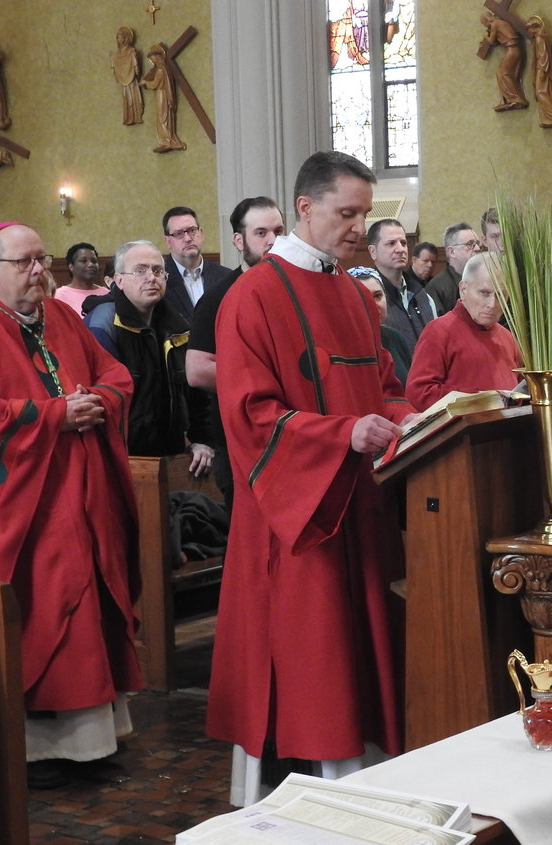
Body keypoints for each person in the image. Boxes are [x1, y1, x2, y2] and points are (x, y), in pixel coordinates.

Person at [207, 150, 415, 789]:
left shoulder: (352, 292)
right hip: (297, 512)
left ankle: (369, 778)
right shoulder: (252, 296)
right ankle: (314, 782)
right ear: (305, 206)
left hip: (361, 501)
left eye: (364, 214)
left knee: (363, 645)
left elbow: (383, 385)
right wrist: (342, 434)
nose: (359, 227)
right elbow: (251, 415)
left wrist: (416, 416)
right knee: (314, 651)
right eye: (347, 213)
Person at [0, 222, 142, 790]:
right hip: (22, 508)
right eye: (24, 262)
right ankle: (38, 749)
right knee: (45, 611)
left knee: (89, 606)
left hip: (82, 494)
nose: (38, 271)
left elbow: (115, 375)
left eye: (42, 260)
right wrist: (54, 416)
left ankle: (92, 741)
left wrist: (98, 401)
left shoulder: (64, 318)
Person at [187, 196, 287, 511]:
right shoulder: (219, 296)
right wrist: (267, 382)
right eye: (261, 233)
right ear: (238, 240)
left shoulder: (292, 289)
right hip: (240, 440)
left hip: (289, 434)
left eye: (278, 231)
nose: (273, 241)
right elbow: (197, 370)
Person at [83, 241, 213, 472]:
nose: (151, 278)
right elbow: (99, 402)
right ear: (119, 281)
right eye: (140, 271)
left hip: (171, 455)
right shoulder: (103, 324)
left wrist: (201, 440)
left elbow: (196, 393)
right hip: (120, 459)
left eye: (158, 270)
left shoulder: (178, 326)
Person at [406, 252, 519, 411]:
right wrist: (476, 400)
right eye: (484, 293)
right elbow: (419, 392)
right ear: (463, 290)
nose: (492, 304)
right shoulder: (439, 331)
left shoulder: (507, 337)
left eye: (501, 295)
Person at [367, 218, 436, 352]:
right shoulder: (369, 298)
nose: (400, 249)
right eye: (391, 243)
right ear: (373, 251)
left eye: (403, 243)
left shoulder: (422, 295)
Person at [161, 206, 233, 326]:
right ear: (168, 241)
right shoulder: (159, 280)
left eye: (192, 230)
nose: (188, 239)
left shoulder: (225, 276)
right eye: (178, 234)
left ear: (201, 233)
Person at [351, 266, 412, 388]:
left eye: (378, 296)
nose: (373, 305)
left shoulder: (395, 338)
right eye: (363, 297)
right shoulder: (344, 345)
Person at [425, 222, 482, 315]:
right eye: (470, 244)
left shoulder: (483, 280)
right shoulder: (436, 287)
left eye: (477, 243)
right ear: (452, 252)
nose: (477, 248)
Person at [479, 10, 528, 111]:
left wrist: (485, 36)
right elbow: (499, 40)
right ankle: (508, 99)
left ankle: (517, 99)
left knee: (503, 73)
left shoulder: (495, 24)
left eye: (484, 24)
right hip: (515, 48)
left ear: (487, 20)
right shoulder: (501, 23)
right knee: (505, 74)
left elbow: (491, 41)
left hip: (512, 49)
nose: (486, 26)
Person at [54, 242, 110, 316]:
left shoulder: (107, 294)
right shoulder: (58, 295)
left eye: (94, 261)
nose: (90, 265)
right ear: (71, 266)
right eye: (84, 261)